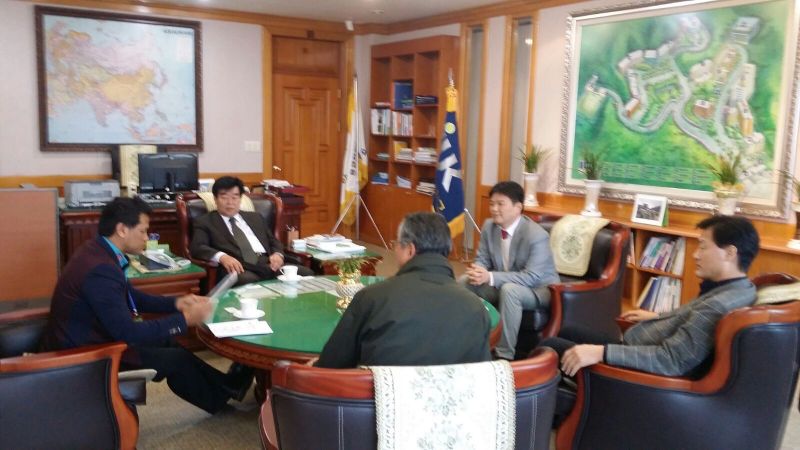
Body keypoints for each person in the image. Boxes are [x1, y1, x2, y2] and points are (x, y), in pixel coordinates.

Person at [41, 197, 254, 414]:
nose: (146, 237)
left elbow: (131, 296)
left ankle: (227, 387)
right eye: (143, 231)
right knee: (175, 360)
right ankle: (222, 396)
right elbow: (127, 332)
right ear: (122, 230)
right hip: (89, 352)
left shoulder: (99, 251)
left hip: (98, 335)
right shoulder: (101, 270)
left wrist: (177, 303)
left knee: (167, 342)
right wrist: (185, 319)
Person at [552, 215, 760, 377]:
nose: (695, 254)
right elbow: (691, 321)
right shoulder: (738, 289)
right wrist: (656, 317)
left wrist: (600, 353)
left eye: (703, 246)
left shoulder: (716, 306)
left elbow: (671, 361)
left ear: (730, 253)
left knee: (551, 349)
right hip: (641, 347)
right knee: (569, 331)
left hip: (642, 373)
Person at [316, 212, 491, 368]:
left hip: (380, 396)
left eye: (396, 244)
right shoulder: (476, 308)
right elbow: (482, 373)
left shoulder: (373, 297)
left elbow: (331, 365)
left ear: (410, 250)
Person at [463, 181, 560, 360]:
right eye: (492, 204)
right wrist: (479, 270)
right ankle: (466, 341)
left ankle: (504, 354)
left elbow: (531, 277)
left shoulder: (536, 235)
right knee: (465, 282)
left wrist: (490, 276)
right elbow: (483, 258)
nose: (494, 209)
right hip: (502, 283)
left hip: (538, 290)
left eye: (500, 204)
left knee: (510, 291)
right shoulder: (489, 226)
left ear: (518, 207)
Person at [190, 176, 308, 286]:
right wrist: (222, 257)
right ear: (215, 199)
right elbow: (198, 247)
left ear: (240, 199)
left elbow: (273, 241)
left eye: (235, 197)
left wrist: (278, 254)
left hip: (269, 263)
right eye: (224, 197)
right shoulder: (205, 222)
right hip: (241, 267)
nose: (230, 202)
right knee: (247, 280)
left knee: (305, 273)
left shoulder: (255, 217)